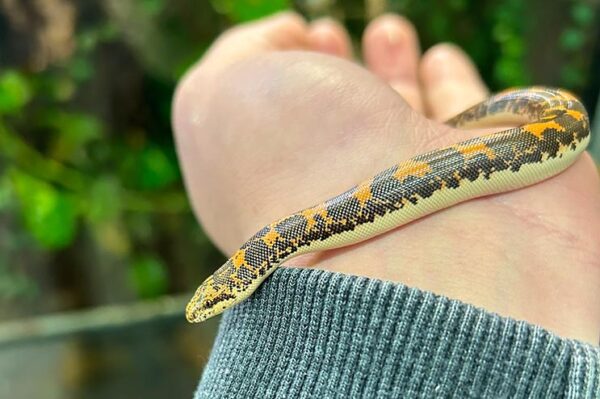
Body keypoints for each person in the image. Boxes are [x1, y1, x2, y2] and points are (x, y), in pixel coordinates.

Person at [172, 12, 600, 398]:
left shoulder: (278, 246)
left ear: (235, 283)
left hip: (548, 136)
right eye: (214, 302)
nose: (211, 306)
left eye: (214, 301)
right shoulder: (280, 244)